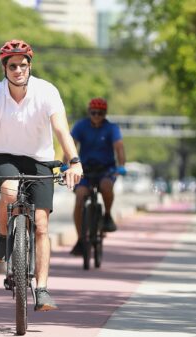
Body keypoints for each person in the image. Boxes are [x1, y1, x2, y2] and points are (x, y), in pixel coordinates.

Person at [0, 39, 83, 311]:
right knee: (11, 191)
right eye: (13, 66)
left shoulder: (47, 92)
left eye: (23, 65)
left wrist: (73, 161)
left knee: (41, 224)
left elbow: (62, 130)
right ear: (4, 68)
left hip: (41, 160)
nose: (18, 70)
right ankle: (4, 235)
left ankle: (42, 289)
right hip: (5, 157)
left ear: (30, 66)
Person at [69, 97, 126, 256]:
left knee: (106, 186)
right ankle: (80, 239)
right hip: (84, 169)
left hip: (105, 169)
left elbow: (119, 147)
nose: (96, 116)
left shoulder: (111, 128)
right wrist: (67, 163)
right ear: (89, 113)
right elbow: (70, 144)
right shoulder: (81, 126)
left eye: (100, 113)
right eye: (93, 113)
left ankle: (107, 215)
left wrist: (121, 166)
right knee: (80, 197)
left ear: (105, 114)